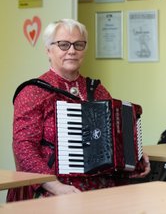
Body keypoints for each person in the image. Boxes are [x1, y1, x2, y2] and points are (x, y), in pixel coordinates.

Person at [7, 19, 151, 201]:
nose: (72, 51)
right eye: (63, 45)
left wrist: (135, 153)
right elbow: (24, 148)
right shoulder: (33, 92)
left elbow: (113, 136)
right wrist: (56, 186)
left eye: (78, 45)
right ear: (48, 50)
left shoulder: (96, 89)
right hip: (52, 186)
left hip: (101, 184)